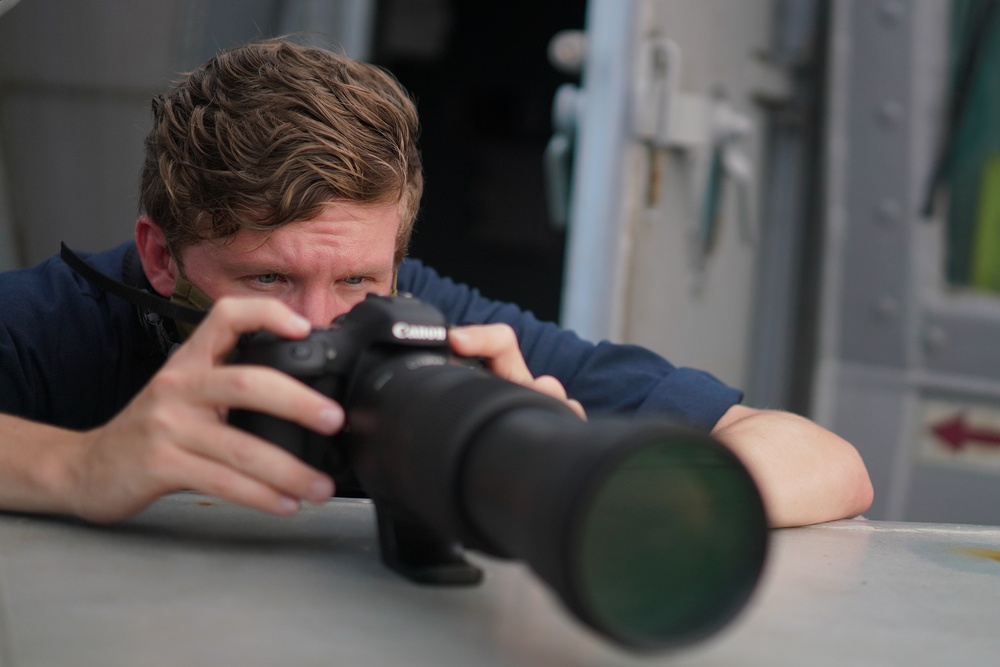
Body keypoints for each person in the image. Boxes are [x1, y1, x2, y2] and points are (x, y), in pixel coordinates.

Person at [0, 40, 872, 529]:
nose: (316, 325)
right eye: (267, 276)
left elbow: (828, 462)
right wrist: (77, 465)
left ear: (397, 258)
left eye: (357, 279)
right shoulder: (58, 324)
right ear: (160, 258)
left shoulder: (432, 325)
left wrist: (590, 481)